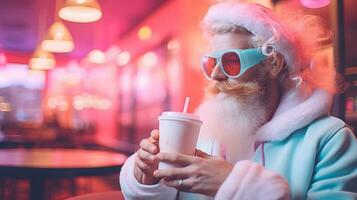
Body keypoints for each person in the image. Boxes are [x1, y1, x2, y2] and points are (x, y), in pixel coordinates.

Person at [119, 1, 357, 199]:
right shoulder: (201, 132)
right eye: (210, 62)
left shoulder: (330, 140)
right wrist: (147, 178)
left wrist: (235, 185)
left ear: (273, 63)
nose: (216, 74)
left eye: (231, 61)